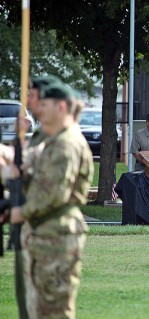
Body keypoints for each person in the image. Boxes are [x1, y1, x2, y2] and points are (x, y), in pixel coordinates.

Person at [10, 82, 94, 319]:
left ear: (61, 107)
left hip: (57, 235)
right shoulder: (56, 141)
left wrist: (21, 212)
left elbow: (54, 194)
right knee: (38, 308)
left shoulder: (66, 144)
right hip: (46, 234)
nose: (39, 110)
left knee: (54, 310)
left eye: (44, 105)